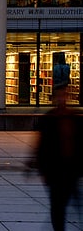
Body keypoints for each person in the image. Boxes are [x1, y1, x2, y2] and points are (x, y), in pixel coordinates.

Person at [35, 86, 83, 231]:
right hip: (55, 170)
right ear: (55, 99)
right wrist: (41, 169)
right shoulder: (49, 120)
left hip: (71, 170)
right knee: (57, 205)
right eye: (59, 96)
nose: (62, 99)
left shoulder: (74, 119)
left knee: (74, 202)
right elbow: (41, 145)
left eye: (64, 96)